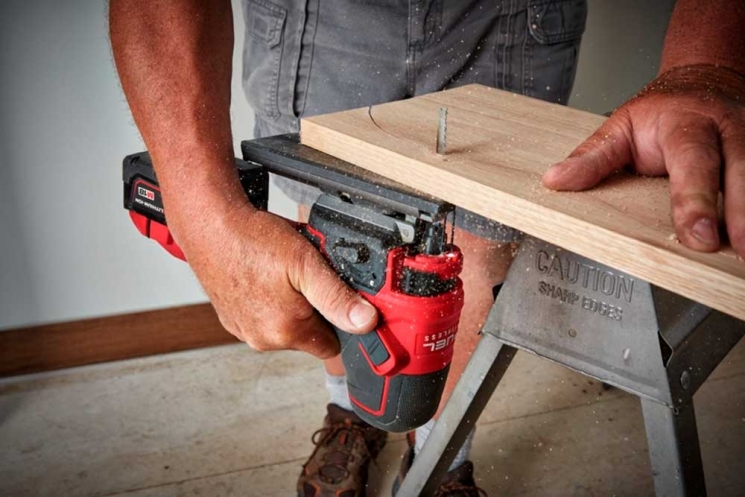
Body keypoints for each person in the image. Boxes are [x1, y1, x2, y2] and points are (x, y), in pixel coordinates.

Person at [109, 1, 745, 495]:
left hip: (509, 13)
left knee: (475, 240)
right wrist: (203, 215)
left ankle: (443, 453)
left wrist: (705, 66)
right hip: (323, 14)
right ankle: (350, 413)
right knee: (331, 209)